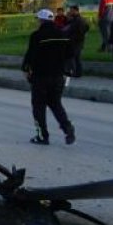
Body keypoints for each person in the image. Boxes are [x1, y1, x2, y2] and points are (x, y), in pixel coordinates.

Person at [22, 8, 75, 145]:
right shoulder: (63, 34)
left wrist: (26, 69)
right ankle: (67, 128)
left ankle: (42, 136)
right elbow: (70, 55)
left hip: (41, 76)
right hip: (58, 76)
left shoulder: (37, 36)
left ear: (41, 20)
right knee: (56, 103)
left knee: (38, 107)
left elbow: (31, 55)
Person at [64, 5, 90, 78]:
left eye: (72, 10)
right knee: (74, 57)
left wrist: (77, 37)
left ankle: (76, 72)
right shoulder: (75, 20)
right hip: (74, 41)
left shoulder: (79, 20)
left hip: (76, 41)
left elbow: (82, 30)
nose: (70, 12)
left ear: (76, 11)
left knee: (75, 57)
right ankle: (75, 72)